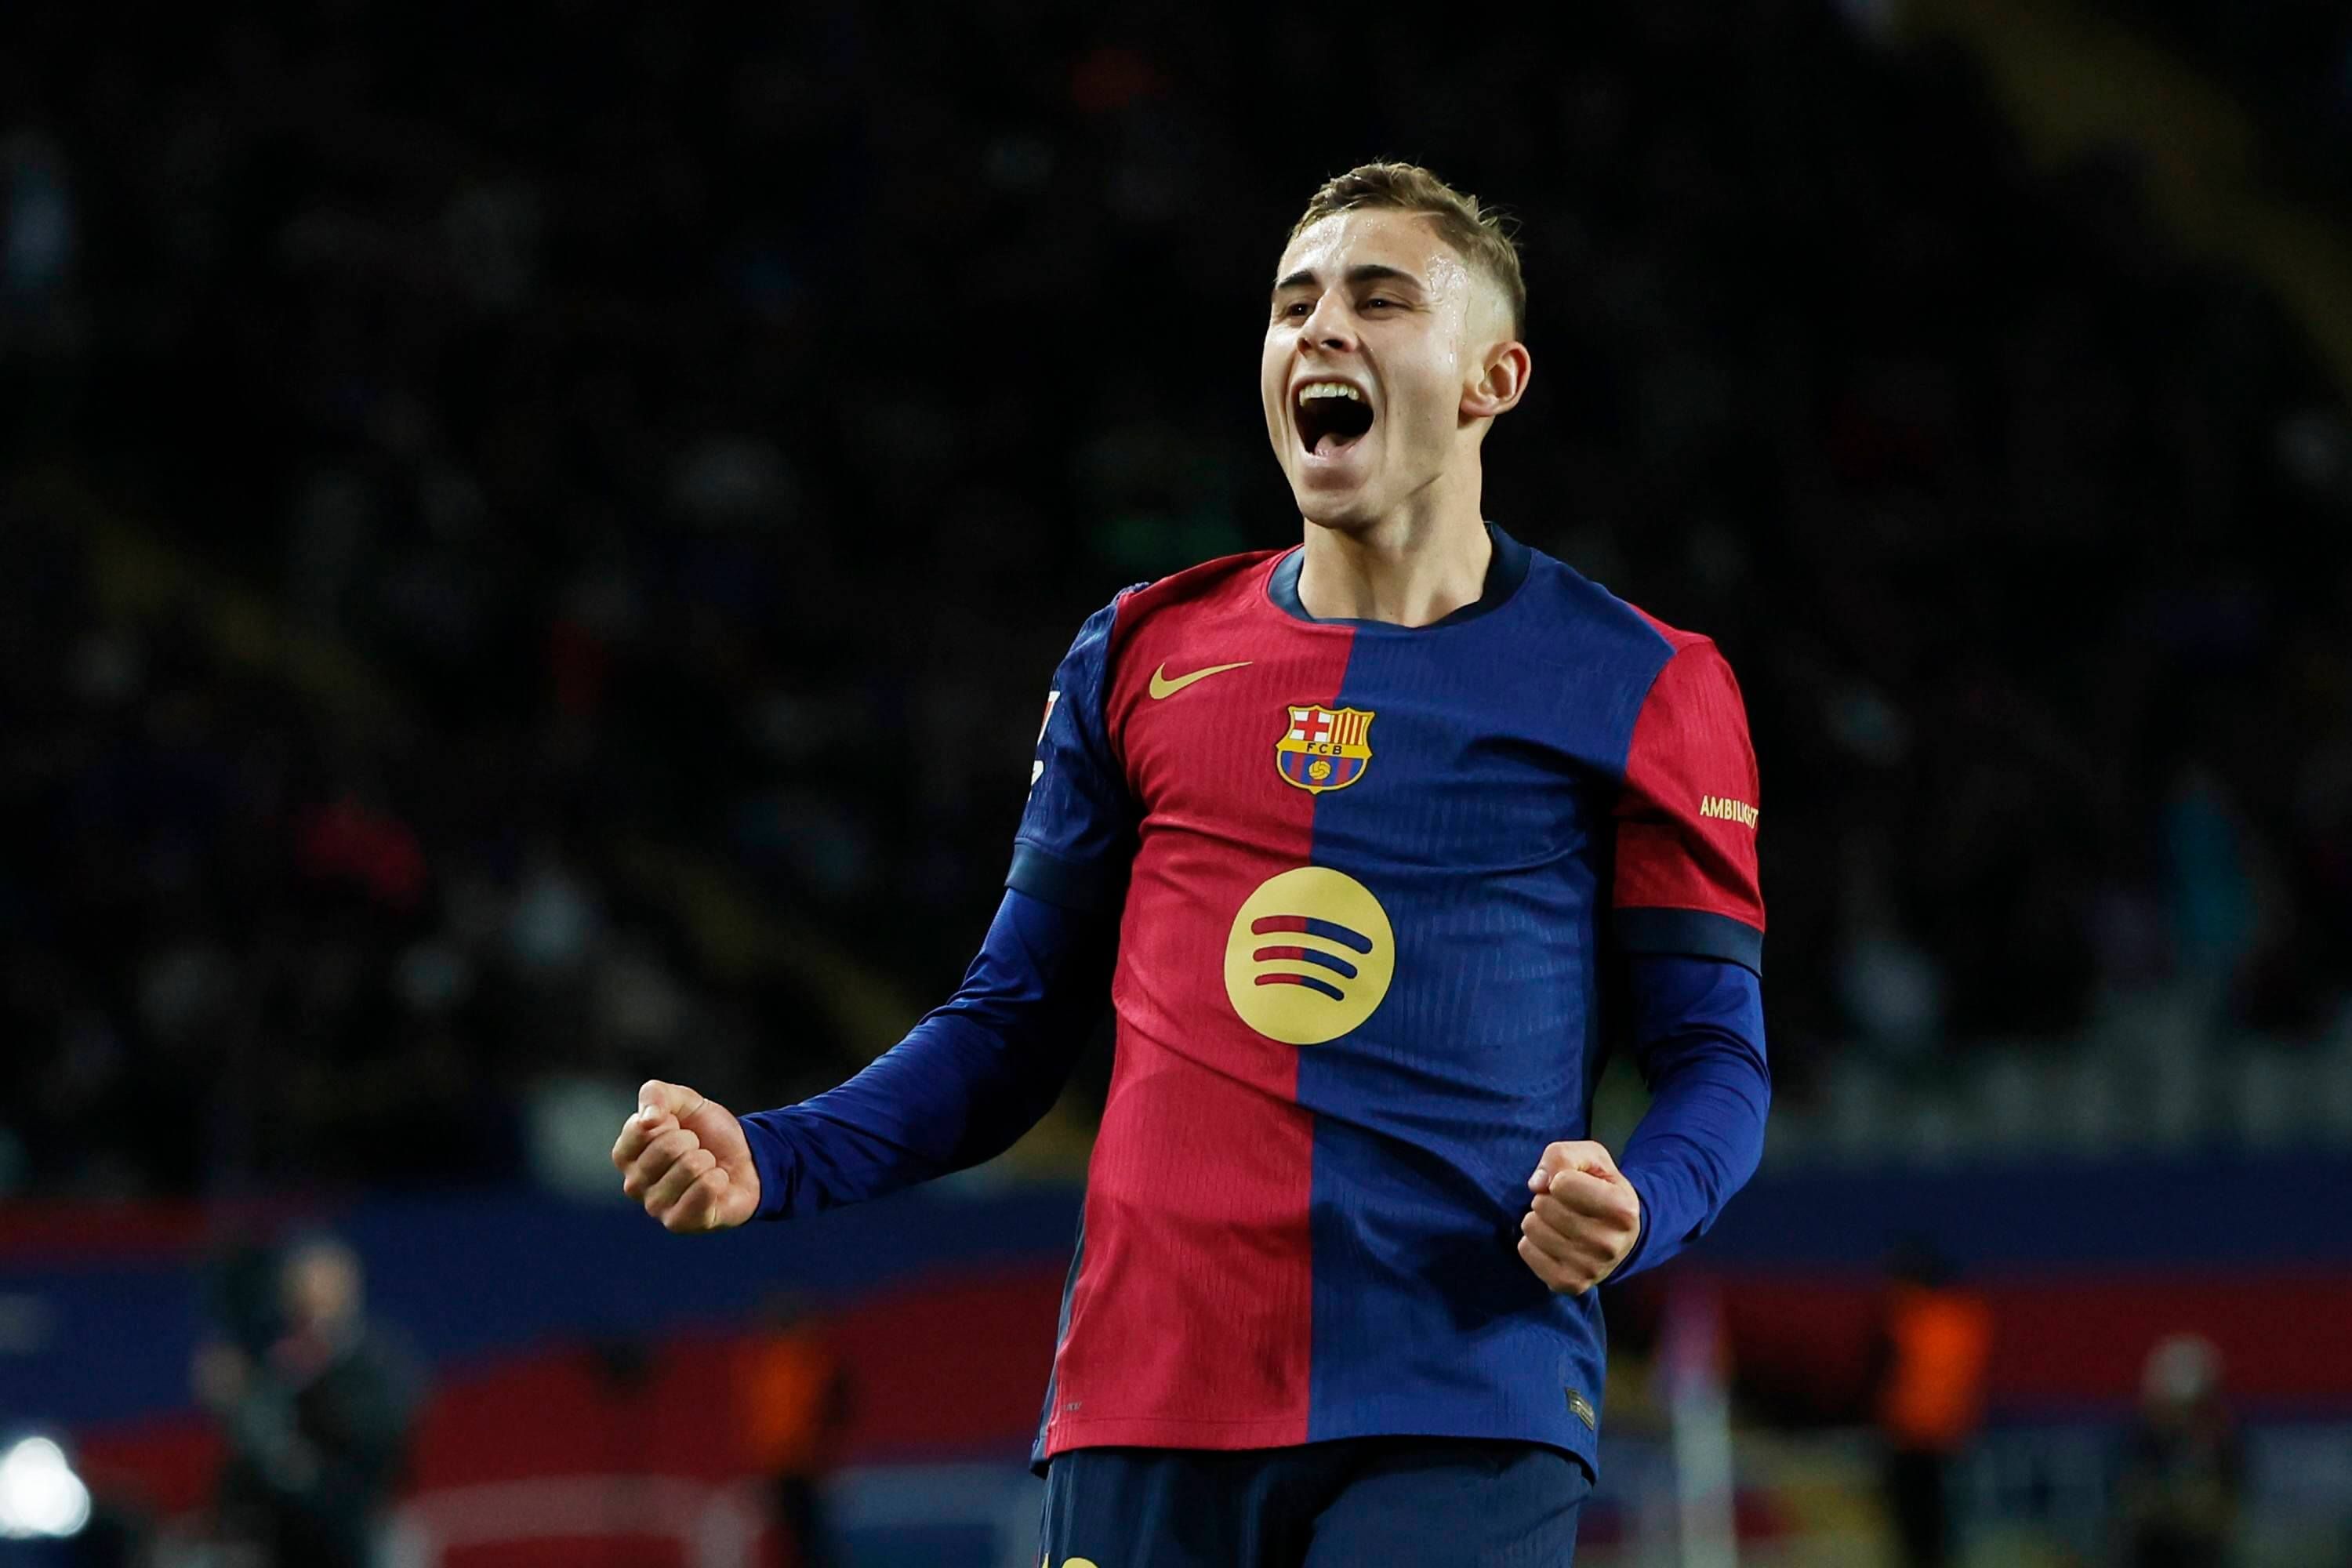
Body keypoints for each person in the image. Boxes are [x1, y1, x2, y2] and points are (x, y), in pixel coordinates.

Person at [612, 162, 1772, 1567]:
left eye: (1379, 299)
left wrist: (1642, 1207)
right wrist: (776, 1153)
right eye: (1294, 306)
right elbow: (1009, 1029)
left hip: (1460, 1388)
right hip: (1146, 1394)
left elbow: (1718, 1059)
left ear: (1490, 379)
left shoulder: (1643, 685)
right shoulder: (1142, 656)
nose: (1320, 331)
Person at [194, 1235, 419, 1568]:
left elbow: (371, 1459)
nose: (310, 1311)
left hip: (353, 1532)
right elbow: (250, 1457)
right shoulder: (271, 1366)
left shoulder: (375, 1367)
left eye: (321, 1297)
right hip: (279, 1534)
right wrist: (238, 1403)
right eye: (300, 1298)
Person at [1869, 1240, 1992, 1568]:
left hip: (1912, 1439)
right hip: (1953, 1438)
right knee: (1944, 1530)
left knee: (1917, 1534)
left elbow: (1882, 1371)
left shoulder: (1908, 1320)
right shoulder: (1968, 1318)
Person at [2115, 1334, 2241, 1568]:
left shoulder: (2223, 1443)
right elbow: (2134, 1503)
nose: (2184, 1415)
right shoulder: (2140, 1441)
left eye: (2195, 1406)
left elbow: (2223, 1510)